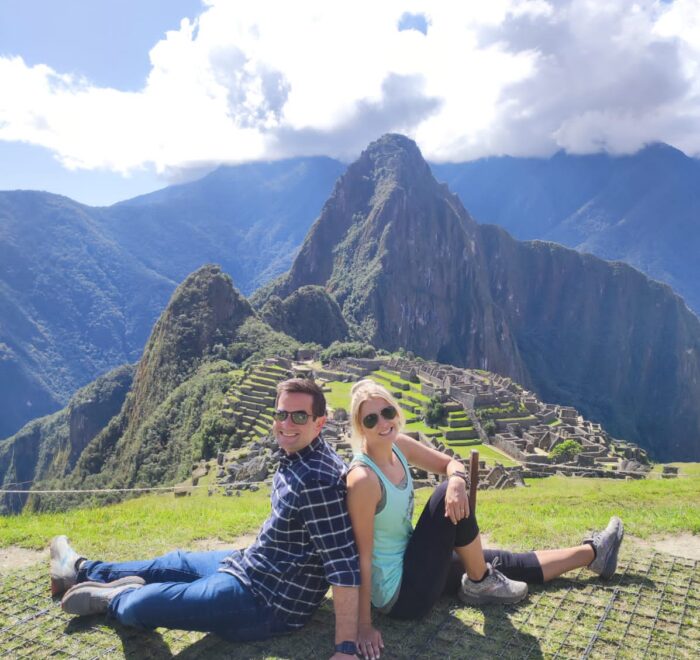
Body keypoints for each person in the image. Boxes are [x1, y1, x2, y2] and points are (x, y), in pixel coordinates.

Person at [51, 378, 362, 659]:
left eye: (299, 416)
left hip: (267, 603)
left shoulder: (317, 481)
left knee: (140, 607)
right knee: (175, 562)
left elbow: (342, 565)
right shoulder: (299, 455)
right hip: (252, 565)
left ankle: (115, 597)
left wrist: (345, 647)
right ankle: (81, 570)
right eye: (281, 414)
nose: (287, 423)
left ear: (320, 423)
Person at [346, 379, 624, 660]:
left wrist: (456, 478)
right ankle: (480, 581)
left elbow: (449, 463)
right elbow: (362, 556)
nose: (383, 422)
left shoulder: (399, 446)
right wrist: (364, 626)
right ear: (360, 428)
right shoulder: (364, 479)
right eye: (371, 419)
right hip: (399, 596)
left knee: (493, 558)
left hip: (414, 563)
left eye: (388, 412)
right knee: (446, 498)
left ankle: (593, 553)